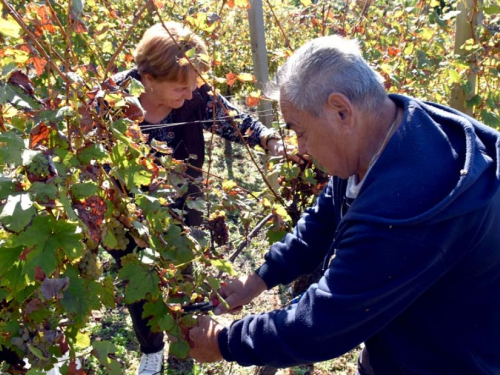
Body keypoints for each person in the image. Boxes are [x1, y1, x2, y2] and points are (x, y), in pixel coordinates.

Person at [187, 35, 500, 374]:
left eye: (300, 131)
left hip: (445, 361)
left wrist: (225, 342)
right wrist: (260, 279)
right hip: (405, 338)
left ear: (341, 111)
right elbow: (324, 219)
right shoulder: (389, 129)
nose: (300, 147)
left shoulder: (405, 211)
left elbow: (323, 324)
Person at [107, 21, 287, 375]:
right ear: (148, 79)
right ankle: (151, 349)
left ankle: (184, 336)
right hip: (126, 212)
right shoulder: (111, 100)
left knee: (182, 272)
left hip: (183, 203)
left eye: (193, 87)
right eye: (180, 88)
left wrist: (268, 139)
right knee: (138, 281)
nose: (190, 96)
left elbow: (230, 118)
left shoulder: (195, 95)